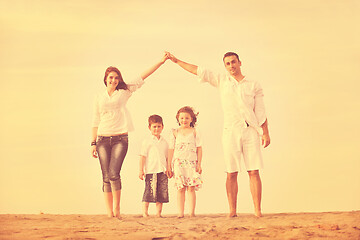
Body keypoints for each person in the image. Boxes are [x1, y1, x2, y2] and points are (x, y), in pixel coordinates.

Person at [165, 51, 270, 217]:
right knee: (231, 172)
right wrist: (177, 61)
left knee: (254, 170)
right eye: (227, 63)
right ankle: (232, 211)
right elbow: (197, 70)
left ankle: (257, 211)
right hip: (230, 131)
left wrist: (265, 133)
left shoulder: (253, 84)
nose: (231, 66)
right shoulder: (222, 80)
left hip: (251, 130)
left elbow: (261, 110)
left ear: (240, 62)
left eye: (233, 62)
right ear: (225, 66)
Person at [91, 54, 169, 218]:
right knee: (105, 176)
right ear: (105, 79)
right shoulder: (99, 97)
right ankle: (109, 212)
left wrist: (160, 62)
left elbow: (142, 76)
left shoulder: (124, 91)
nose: (113, 80)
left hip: (120, 138)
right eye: (110, 77)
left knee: (114, 173)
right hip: (102, 139)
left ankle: (117, 209)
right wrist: (93, 143)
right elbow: (95, 120)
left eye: (116, 77)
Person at [167, 106, 203, 218]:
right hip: (178, 163)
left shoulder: (195, 132)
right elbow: (171, 149)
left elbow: (199, 148)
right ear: (178, 119)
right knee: (181, 188)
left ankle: (191, 213)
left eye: (187, 118)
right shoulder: (175, 132)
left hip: (191, 163)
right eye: (182, 118)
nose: (184, 120)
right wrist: (169, 166)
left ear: (191, 119)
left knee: (191, 188)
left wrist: (199, 164)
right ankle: (180, 213)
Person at [139, 115, 169, 218]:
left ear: (162, 127)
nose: (156, 129)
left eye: (158, 126)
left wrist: (169, 169)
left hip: (162, 171)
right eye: (154, 126)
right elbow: (142, 156)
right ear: (149, 128)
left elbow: (167, 157)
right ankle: (145, 213)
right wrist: (141, 170)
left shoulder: (165, 142)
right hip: (150, 171)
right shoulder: (147, 142)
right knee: (148, 191)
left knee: (161, 193)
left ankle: (158, 213)